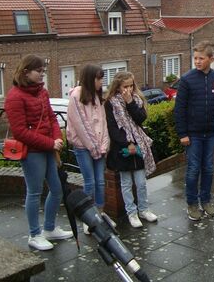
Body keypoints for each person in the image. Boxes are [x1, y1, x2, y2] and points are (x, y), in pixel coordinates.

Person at [4, 54, 73, 250]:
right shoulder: (15, 97)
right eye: (39, 71)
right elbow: (20, 132)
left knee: (57, 188)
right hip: (32, 152)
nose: (42, 75)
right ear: (26, 72)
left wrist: (57, 137)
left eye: (43, 71)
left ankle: (49, 228)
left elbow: (51, 117)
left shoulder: (41, 92)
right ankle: (34, 234)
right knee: (34, 192)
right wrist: (49, 143)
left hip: (48, 148)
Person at [174, 41, 214, 221]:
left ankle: (205, 200)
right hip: (193, 135)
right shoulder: (186, 80)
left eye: (201, 58)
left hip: (211, 133)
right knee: (193, 170)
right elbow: (179, 109)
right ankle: (192, 204)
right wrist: (182, 134)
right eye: (195, 58)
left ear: (211, 59)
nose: (197, 61)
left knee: (208, 169)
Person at [105, 71, 157, 228]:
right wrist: (126, 143)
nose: (128, 89)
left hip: (139, 145)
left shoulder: (136, 99)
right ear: (118, 86)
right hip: (122, 149)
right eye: (125, 86)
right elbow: (112, 127)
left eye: (131, 86)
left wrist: (129, 102)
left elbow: (140, 118)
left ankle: (144, 209)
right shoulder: (110, 103)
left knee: (141, 182)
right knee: (126, 183)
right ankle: (131, 213)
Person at [66, 64, 110, 235]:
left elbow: (103, 122)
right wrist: (94, 147)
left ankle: (100, 213)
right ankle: (88, 217)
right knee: (89, 181)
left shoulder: (97, 97)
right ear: (90, 78)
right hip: (84, 147)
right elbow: (81, 126)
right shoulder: (77, 96)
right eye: (98, 79)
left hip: (99, 147)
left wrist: (103, 145)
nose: (101, 82)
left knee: (100, 181)